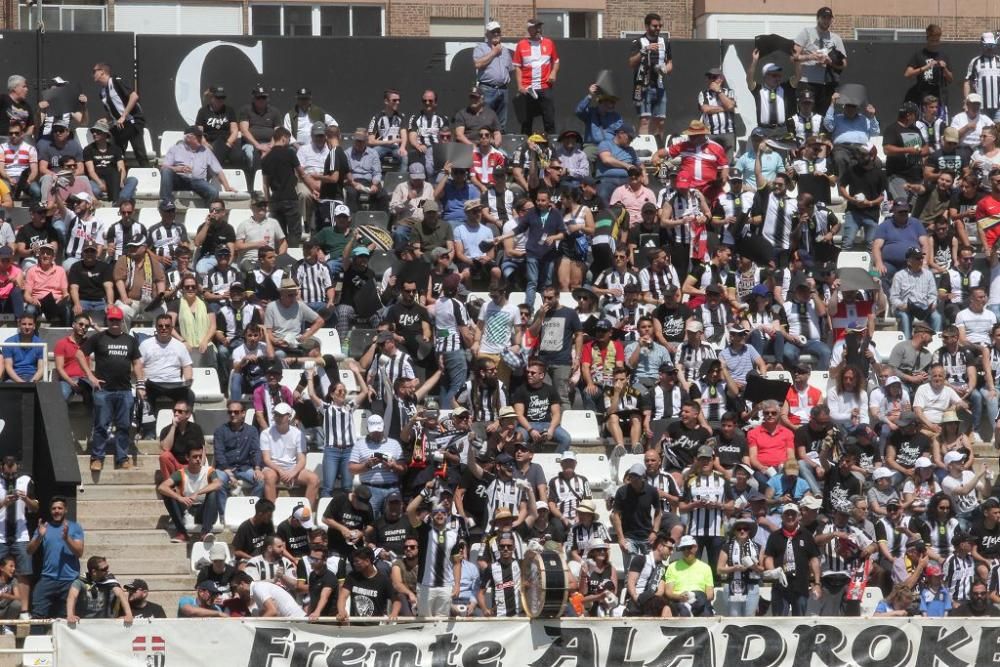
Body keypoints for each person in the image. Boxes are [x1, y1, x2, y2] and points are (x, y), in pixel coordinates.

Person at [76, 305, 141, 471]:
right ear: (107, 320)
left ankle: (122, 458)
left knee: (124, 427)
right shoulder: (98, 338)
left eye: (117, 320)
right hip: (103, 390)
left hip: (125, 389)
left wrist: (141, 383)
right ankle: (97, 457)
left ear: (121, 321)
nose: (114, 323)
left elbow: (137, 363)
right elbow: (79, 354)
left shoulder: (130, 340)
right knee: (100, 426)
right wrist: (90, 376)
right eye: (111, 319)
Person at [28, 497, 84, 628]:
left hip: (69, 580)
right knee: (37, 615)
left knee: (66, 618)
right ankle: (37, 646)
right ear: (50, 511)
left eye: (59, 508)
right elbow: (29, 550)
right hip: (48, 578)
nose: (56, 511)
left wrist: (66, 538)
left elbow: (79, 552)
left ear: (65, 510)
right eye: (54, 508)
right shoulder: (44, 527)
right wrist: (40, 536)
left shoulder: (75, 527)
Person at [763, 503, 822, 616]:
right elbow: (768, 557)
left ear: (798, 516)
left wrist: (817, 583)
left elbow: (814, 559)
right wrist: (773, 571)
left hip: (800, 585)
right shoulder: (774, 536)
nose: (790, 517)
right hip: (780, 586)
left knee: (799, 621)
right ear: (782, 517)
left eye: (793, 514)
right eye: (787, 514)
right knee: (779, 621)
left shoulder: (807, 535)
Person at [156, 444, 222, 543]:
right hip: (187, 508)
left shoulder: (209, 471)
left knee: (213, 492)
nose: (198, 459)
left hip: (204, 510)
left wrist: (198, 493)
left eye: (200, 456)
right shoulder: (181, 473)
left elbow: (218, 484)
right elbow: (162, 487)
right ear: (187, 457)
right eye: (195, 457)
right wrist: (179, 498)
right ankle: (182, 533)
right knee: (168, 493)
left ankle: (205, 533)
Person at [261, 402, 320, 510]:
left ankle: (306, 514)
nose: (278, 417)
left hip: (292, 468)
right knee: (269, 477)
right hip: (273, 468)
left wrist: (293, 472)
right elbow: (266, 459)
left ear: (289, 416)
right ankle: (271, 513)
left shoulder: (298, 434)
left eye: (281, 415)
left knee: (314, 479)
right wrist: (280, 470)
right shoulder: (266, 433)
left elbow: (302, 460)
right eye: (276, 415)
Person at [159, 126, 235, 208]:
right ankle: (167, 203)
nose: (201, 138)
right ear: (188, 137)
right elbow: (164, 167)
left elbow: (218, 170)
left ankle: (207, 214)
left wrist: (227, 187)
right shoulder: (175, 149)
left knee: (213, 191)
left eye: (201, 136)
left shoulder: (206, 151)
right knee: (166, 171)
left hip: (197, 181)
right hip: (179, 180)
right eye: (198, 136)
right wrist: (178, 169)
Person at [92, 62, 147, 167]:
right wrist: (106, 119)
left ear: (102, 72)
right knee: (116, 151)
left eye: (94, 71)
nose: (93, 74)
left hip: (132, 121)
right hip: (120, 124)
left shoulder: (115, 81)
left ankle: (148, 173)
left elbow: (134, 96)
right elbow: (111, 111)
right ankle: (119, 174)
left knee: (139, 151)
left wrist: (123, 116)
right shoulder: (102, 92)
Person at [213, 400, 265, 510]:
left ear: (243, 413)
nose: (232, 414)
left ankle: (251, 510)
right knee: (218, 482)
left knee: (261, 481)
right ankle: (223, 515)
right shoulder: (220, 431)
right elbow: (219, 453)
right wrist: (228, 471)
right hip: (225, 468)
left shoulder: (251, 430)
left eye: (236, 412)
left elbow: (255, 450)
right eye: (230, 412)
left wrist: (257, 468)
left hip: (244, 467)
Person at [629, 13, 672, 140]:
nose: (658, 28)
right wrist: (644, 50)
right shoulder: (638, 41)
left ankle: (658, 149)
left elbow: (670, 63)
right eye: (655, 26)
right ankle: (644, 150)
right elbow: (631, 63)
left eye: (660, 26)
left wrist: (664, 69)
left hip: (659, 85)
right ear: (647, 26)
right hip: (642, 86)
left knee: (660, 121)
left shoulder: (665, 41)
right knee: (645, 120)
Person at [512, 18, 559, 135]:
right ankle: (525, 148)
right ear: (529, 29)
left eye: (540, 27)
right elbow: (517, 66)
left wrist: (553, 72)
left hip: (545, 86)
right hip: (528, 88)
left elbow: (556, 61)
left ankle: (551, 147)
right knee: (526, 122)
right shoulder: (521, 45)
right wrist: (520, 85)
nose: (538, 30)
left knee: (549, 120)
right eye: (535, 27)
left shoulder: (549, 43)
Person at [337, 546, 399, 621]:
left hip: (375, 626)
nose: (354, 564)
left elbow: (396, 600)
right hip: (355, 626)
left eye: (357, 561)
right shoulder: (352, 576)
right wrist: (341, 610)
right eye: (353, 561)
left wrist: (394, 613)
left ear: (367, 561)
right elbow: (343, 596)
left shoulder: (383, 580)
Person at [65, 556, 131, 624]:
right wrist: (70, 615)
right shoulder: (81, 581)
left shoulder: (109, 579)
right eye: (104, 569)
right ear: (94, 571)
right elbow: (72, 596)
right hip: (84, 623)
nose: (107, 571)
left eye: (107, 567)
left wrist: (128, 614)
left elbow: (120, 594)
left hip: (104, 623)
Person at [661, 534, 715, 617]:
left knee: (703, 604)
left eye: (689, 547)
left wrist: (694, 598)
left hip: (700, 600)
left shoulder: (706, 567)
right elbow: (668, 592)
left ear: (696, 548)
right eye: (683, 548)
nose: (687, 550)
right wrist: (679, 596)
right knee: (683, 610)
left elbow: (710, 594)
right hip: (680, 601)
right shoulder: (672, 566)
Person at [231, 570, 305, 618]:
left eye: (235, 587)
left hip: (298, 621)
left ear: (242, 584)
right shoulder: (257, 589)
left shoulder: (257, 588)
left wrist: (254, 624)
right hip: (295, 621)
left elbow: (273, 611)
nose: (235, 591)